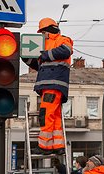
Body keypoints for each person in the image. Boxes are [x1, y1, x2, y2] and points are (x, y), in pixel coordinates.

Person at [22, 17, 73, 155]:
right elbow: (40, 65)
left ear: (47, 30)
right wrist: (27, 59)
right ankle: (58, 146)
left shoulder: (62, 40)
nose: (41, 35)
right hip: (51, 84)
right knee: (55, 117)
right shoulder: (43, 45)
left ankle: (44, 146)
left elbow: (65, 51)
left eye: (42, 32)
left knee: (46, 114)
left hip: (53, 84)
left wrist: (44, 55)